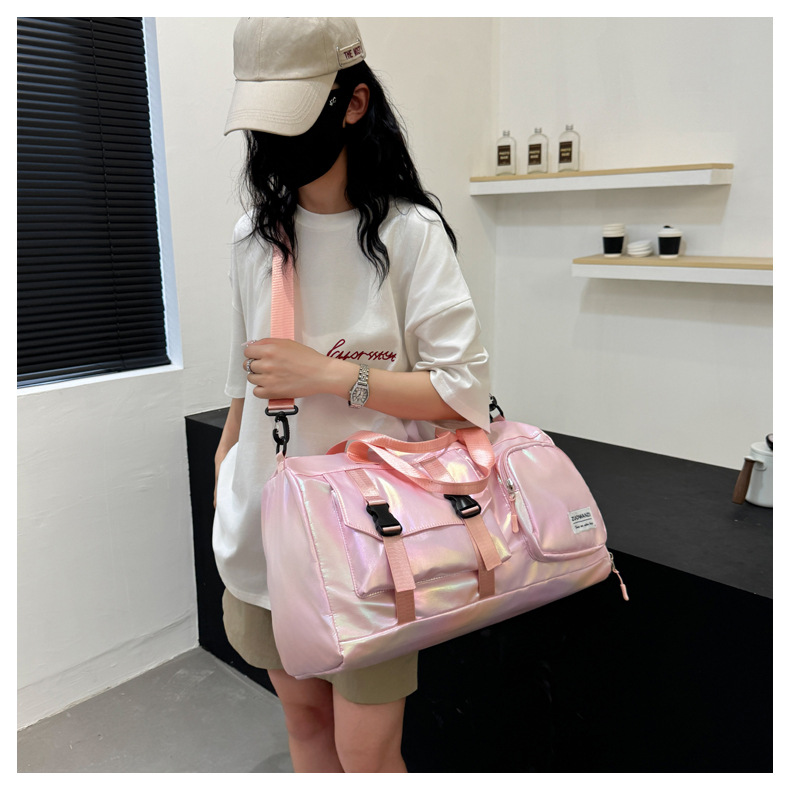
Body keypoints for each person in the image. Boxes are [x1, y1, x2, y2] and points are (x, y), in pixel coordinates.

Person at [212, 18, 490, 773]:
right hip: (264, 527)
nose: (274, 141)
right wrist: (227, 463)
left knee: (367, 755)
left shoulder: (411, 233)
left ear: (353, 103)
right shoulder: (254, 236)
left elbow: (464, 393)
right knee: (304, 725)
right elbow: (243, 372)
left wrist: (332, 374)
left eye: (293, 116)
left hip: (374, 538)